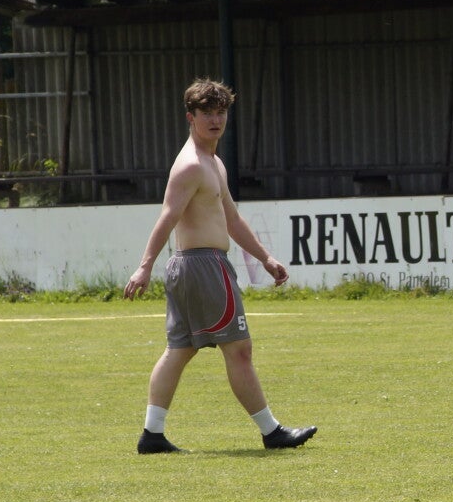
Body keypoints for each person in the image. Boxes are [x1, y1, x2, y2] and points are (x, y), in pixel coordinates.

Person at [123, 79, 317, 454]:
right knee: (239, 350)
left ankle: (152, 435)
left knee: (179, 350)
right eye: (206, 113)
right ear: (190, 117)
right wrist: (144, 266)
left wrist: (265, 258)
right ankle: (272, 431)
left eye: (221, 112)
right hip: (204, 266)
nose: (215, 120)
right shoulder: (191, 166)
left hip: (189, 266)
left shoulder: (213, 162)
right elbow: (167, 217)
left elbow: (231, 218)